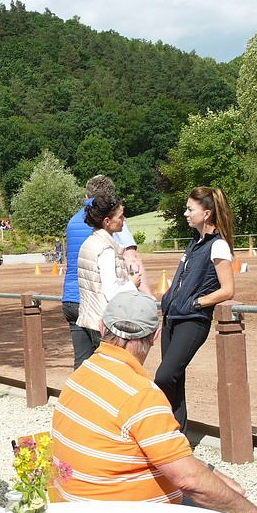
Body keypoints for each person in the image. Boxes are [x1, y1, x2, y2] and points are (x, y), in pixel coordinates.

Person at [51, 291, 257, 513]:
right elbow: (189, 479)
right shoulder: (140, 395)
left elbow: (159, 454)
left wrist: (215, 476)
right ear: (155, 335)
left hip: (75, 511)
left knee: (226, 492)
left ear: (102, 326)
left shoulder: (84, 374)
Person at [157, 186, 235, 433]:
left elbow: (228, 290)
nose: (185, 213)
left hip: (193, 320)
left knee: (164, 376)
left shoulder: (218, 246)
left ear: (207, 213)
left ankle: (174, 431)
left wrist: (196, 303)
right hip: (172, 318)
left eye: (190, 209)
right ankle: (176, 434)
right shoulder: (193, 244)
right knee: (174, 380)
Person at [62, 175, 149, 369]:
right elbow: (131, 258)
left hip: (74, 298)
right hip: (100, 306)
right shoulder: (110, 228)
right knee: (111, 363)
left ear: (87, 194)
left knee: (83, 363)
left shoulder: (73, 223)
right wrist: (143, 295)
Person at [75, 194, 141, 363]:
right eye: (120, 216)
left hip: (89, 318)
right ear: (107, 221)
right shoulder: (106, 249)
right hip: (103, 322)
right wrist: (132, 284)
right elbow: (111, 292)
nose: (123, 220)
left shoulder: (89, 243)